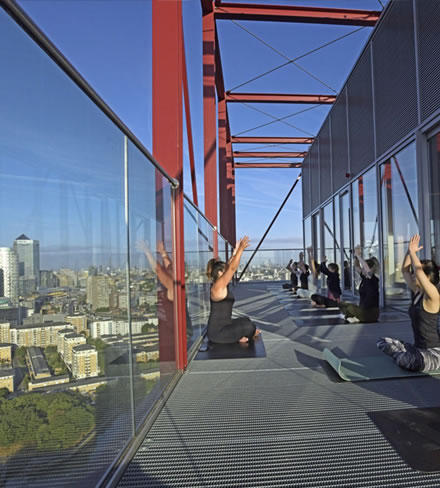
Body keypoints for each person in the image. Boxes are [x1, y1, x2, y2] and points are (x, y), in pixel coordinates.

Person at [377, 234, 440, 372]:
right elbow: (405, 270)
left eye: (416, 273)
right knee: (382, 342)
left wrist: (413, 253)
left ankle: (404, 356)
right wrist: (409, 251)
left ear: (427, 277)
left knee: (405, 360)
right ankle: (405, 354)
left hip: (434, 353)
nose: (412, 275)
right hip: (417, 348)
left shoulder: (433, 296)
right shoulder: (417, 291)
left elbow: (417, 270)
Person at [207, 236, 260, 344]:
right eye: (224, 271)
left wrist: (235, 253)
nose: (227, 273)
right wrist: (241, 249)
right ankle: (240, 336)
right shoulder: (217, 287)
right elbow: (231, 268)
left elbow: (229, 265)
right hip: (217, 333)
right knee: (249, 326)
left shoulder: (220, 284)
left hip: (226, 326)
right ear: (220, 273)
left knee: (246, 319)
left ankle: (236, 336)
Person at [339, 246, 380, 323]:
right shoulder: (365, 278)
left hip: (371, 313)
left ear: (370, 269)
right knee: (342, 304)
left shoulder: (372, 279)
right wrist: (355, 256)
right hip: (363, 310)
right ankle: (353, 317)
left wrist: (359, 255)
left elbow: (365, 266)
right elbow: (357, 266)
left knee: (349, 307)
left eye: (364, 267)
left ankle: (353, 317)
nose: (362, 269)